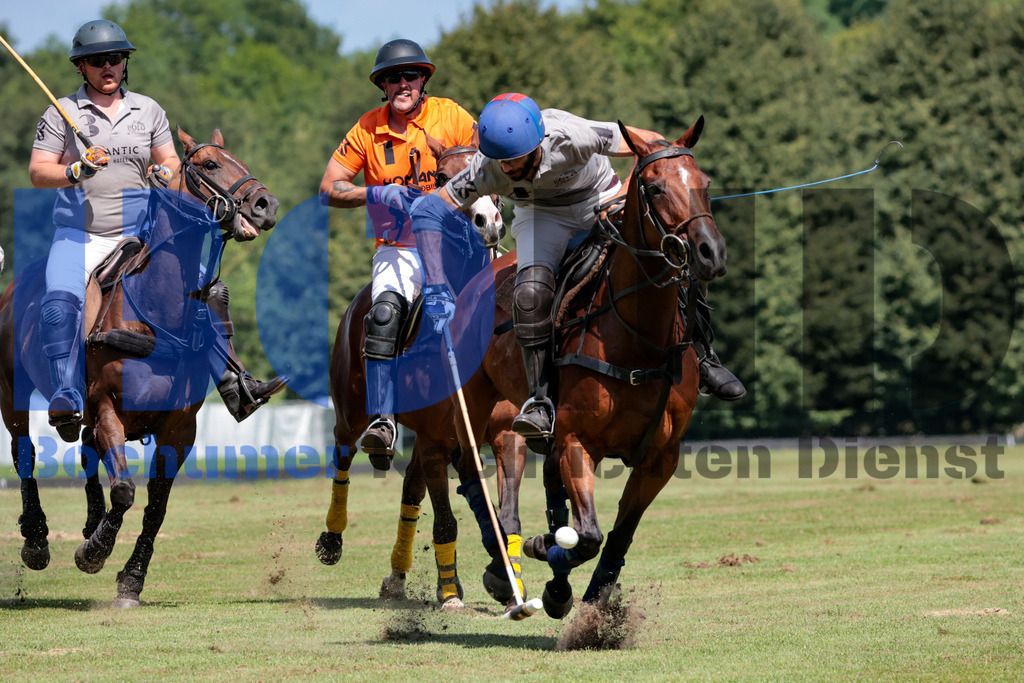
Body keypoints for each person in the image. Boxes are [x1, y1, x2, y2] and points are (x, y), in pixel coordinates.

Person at [433, 93, 745, 442]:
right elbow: (435, 205)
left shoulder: (572, 135)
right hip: (541, 215)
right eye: (500, 162)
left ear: (538, 143)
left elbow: (652, 146)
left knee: (670, 256)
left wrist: (622, 194)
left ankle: (703, 358)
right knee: (529, 293)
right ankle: (539, 401)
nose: (507, 169)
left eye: (516, 159)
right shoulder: (484, 169)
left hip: (599, 196)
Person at [28, 19, 286, 438]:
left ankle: (236, 383)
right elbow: (39, 171)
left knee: (211, 292)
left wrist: (161, 172)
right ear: (81, 67)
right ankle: (67, 395)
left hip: (140, 234)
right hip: (81, 235)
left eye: (115, 58)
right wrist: (76, 168)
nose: (107, 66)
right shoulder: (62, 112)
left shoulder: (147, 110)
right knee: (60, 301)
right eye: (97, 60)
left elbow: (168, 160)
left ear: (124, 63)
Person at [319, 38, 478, 461]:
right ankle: (384, 420)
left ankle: (533, 400)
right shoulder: (367, 128)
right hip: (400, 247)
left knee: (517, 300)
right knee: (384, 312)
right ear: (383, 86)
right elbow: (328, 189)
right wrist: (378, 193)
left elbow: (486, 165)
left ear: (423, 78)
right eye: (392, 78)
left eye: (410, 75)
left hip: (457, 242)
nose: (402, 83)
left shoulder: (452, 116)